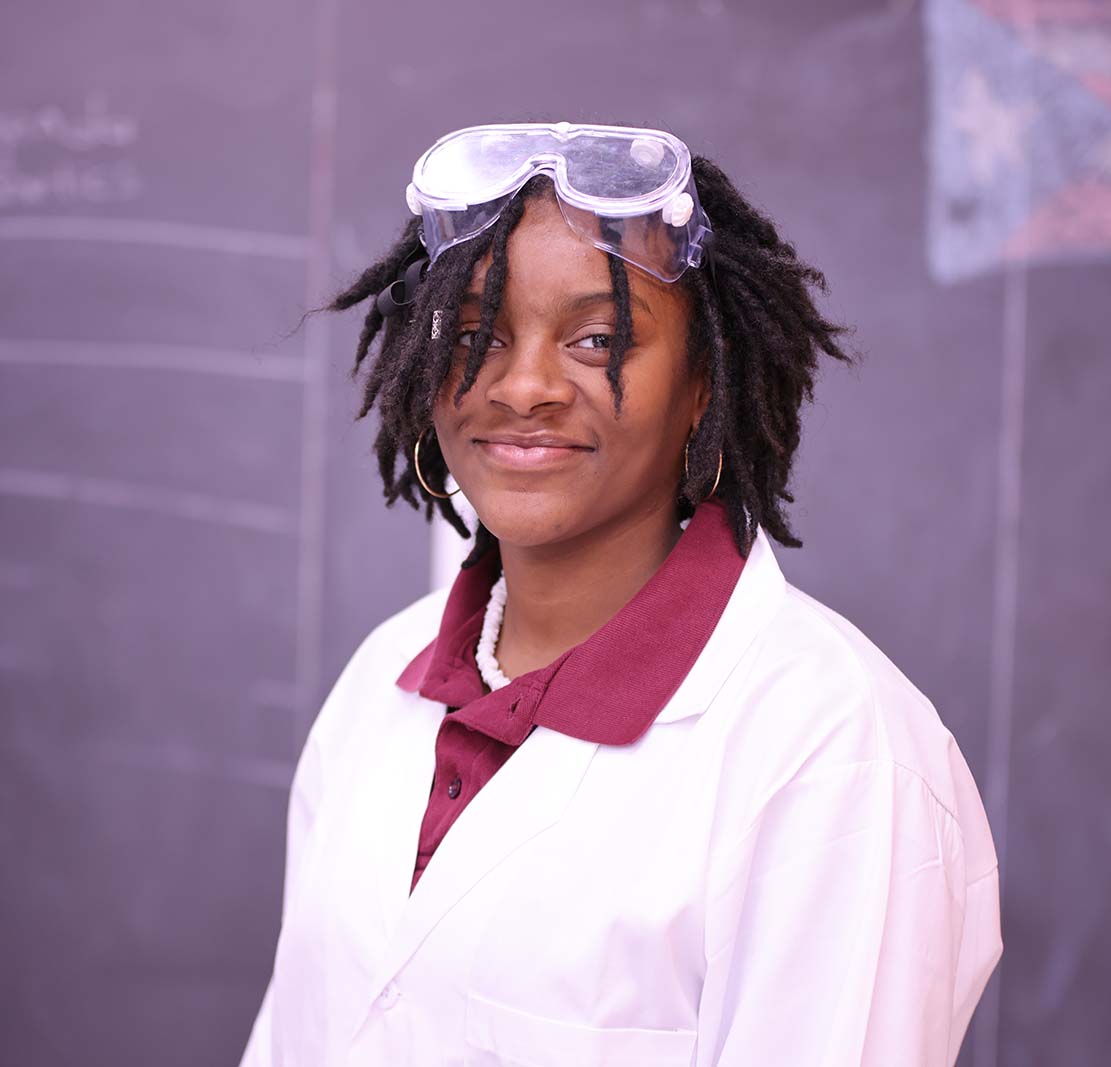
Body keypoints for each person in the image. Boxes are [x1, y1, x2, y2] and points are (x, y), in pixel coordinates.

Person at [239, 121, 1002, 1066]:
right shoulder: (376, 690)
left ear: (701, 387)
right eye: (478, 334)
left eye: (600, 338)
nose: (522, 386)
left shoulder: (834, 754)